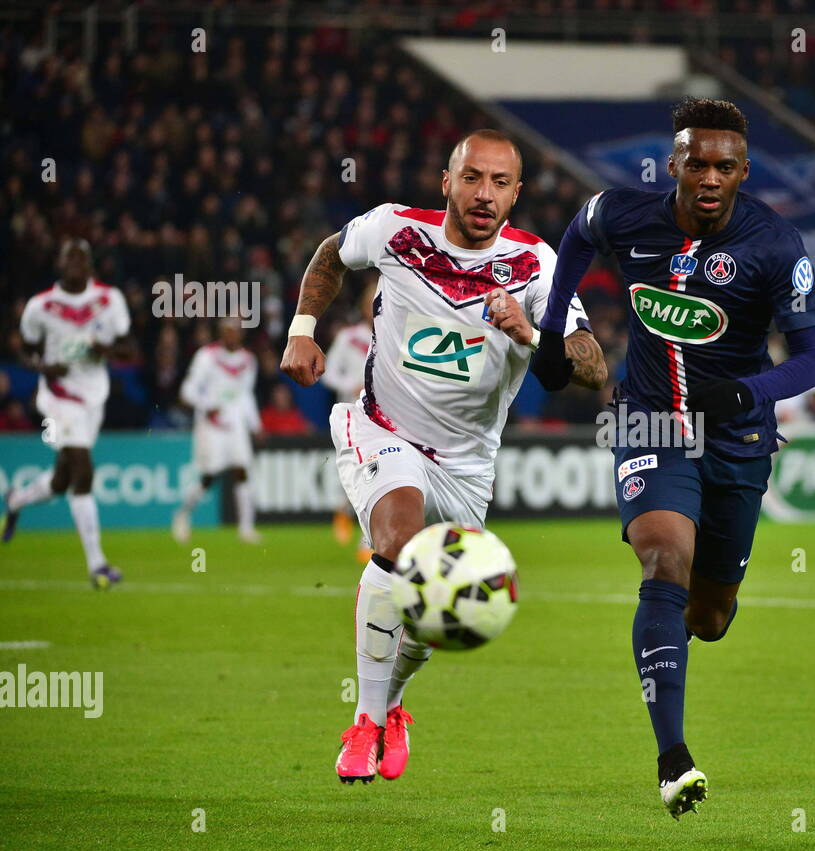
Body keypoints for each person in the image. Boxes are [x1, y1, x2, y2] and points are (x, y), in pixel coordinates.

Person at [279, 130, 607, 785]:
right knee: (398, 543)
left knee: (437, 614)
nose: (484, 194)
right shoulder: (395, 231)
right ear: (446, 180)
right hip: (381, 428)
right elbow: (329, 256)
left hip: (466, 468)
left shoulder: (538, 267)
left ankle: (393, 705)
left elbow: (593, 367)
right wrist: (301, 331)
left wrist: (531, 334)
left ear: (516, 193)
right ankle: (365, 722)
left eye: (499, 183)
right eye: (472, 178)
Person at [532, 97, 815, 818]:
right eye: (696, 161)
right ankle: (673, 758)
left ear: (743, 172)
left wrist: (745, 394)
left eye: (724, 166)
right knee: (662, 557)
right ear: (674, 164)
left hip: (738, 438)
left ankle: (699, 617)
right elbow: (574, 237)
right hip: (650, 422)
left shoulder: (776, 245)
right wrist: (551, 332)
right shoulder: (623, 214)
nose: (708, 176)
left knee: (710, 615)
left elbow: (812, 361)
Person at [3, 239, 131, 588]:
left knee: (62, 481)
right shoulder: (40, 306)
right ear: (59, 263)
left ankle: (17, 499)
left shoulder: (109, 299)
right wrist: (43, 366)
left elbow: (129, 347)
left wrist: (106, 349)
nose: (75, 263)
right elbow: (24, 352)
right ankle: (97, 565)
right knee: (83, 469)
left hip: (93, 395)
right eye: (68, 256)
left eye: (81, 257)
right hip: (57, 397)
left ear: (90, 264)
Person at [171, 318, 262, 545]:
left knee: (242, 470)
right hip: (211, 425)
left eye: (236, 331)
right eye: (228, 331)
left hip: (236, 424)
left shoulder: (248, 360)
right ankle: (183, 515)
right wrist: (206, 405)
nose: (232, 335)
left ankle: (246, 528)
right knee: (209, 477)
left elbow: (246, 395)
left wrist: (255, 425)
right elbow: (187, 390)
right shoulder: (207, 356)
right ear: (221, 333)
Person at [322, 303, 375, 556]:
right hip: (353, 415)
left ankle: (367, 539)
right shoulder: (348, 337)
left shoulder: (396, 333)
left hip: (385, 415)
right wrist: (351, 384)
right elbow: (328, 374)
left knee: (375, 468)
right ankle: (344, 512)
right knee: (359, 471)